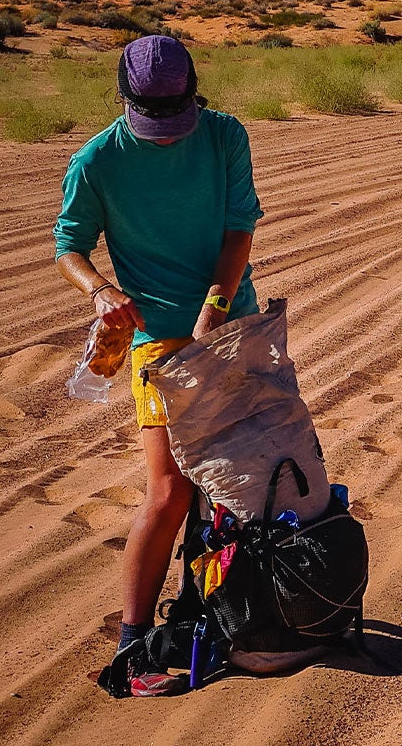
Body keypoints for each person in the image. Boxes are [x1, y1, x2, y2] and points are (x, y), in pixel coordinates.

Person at [54, 35, 263, 695]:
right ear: (124, 99)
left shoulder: (226, 136)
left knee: (243, 482)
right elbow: (69, 244)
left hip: (231, 323)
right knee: (172, 489)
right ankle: (134, 649)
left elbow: (239, 229)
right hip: (157, 344)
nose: (169, 137)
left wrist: (217, 307)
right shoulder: (97, 162)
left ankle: (214, 614)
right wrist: (101, 290)